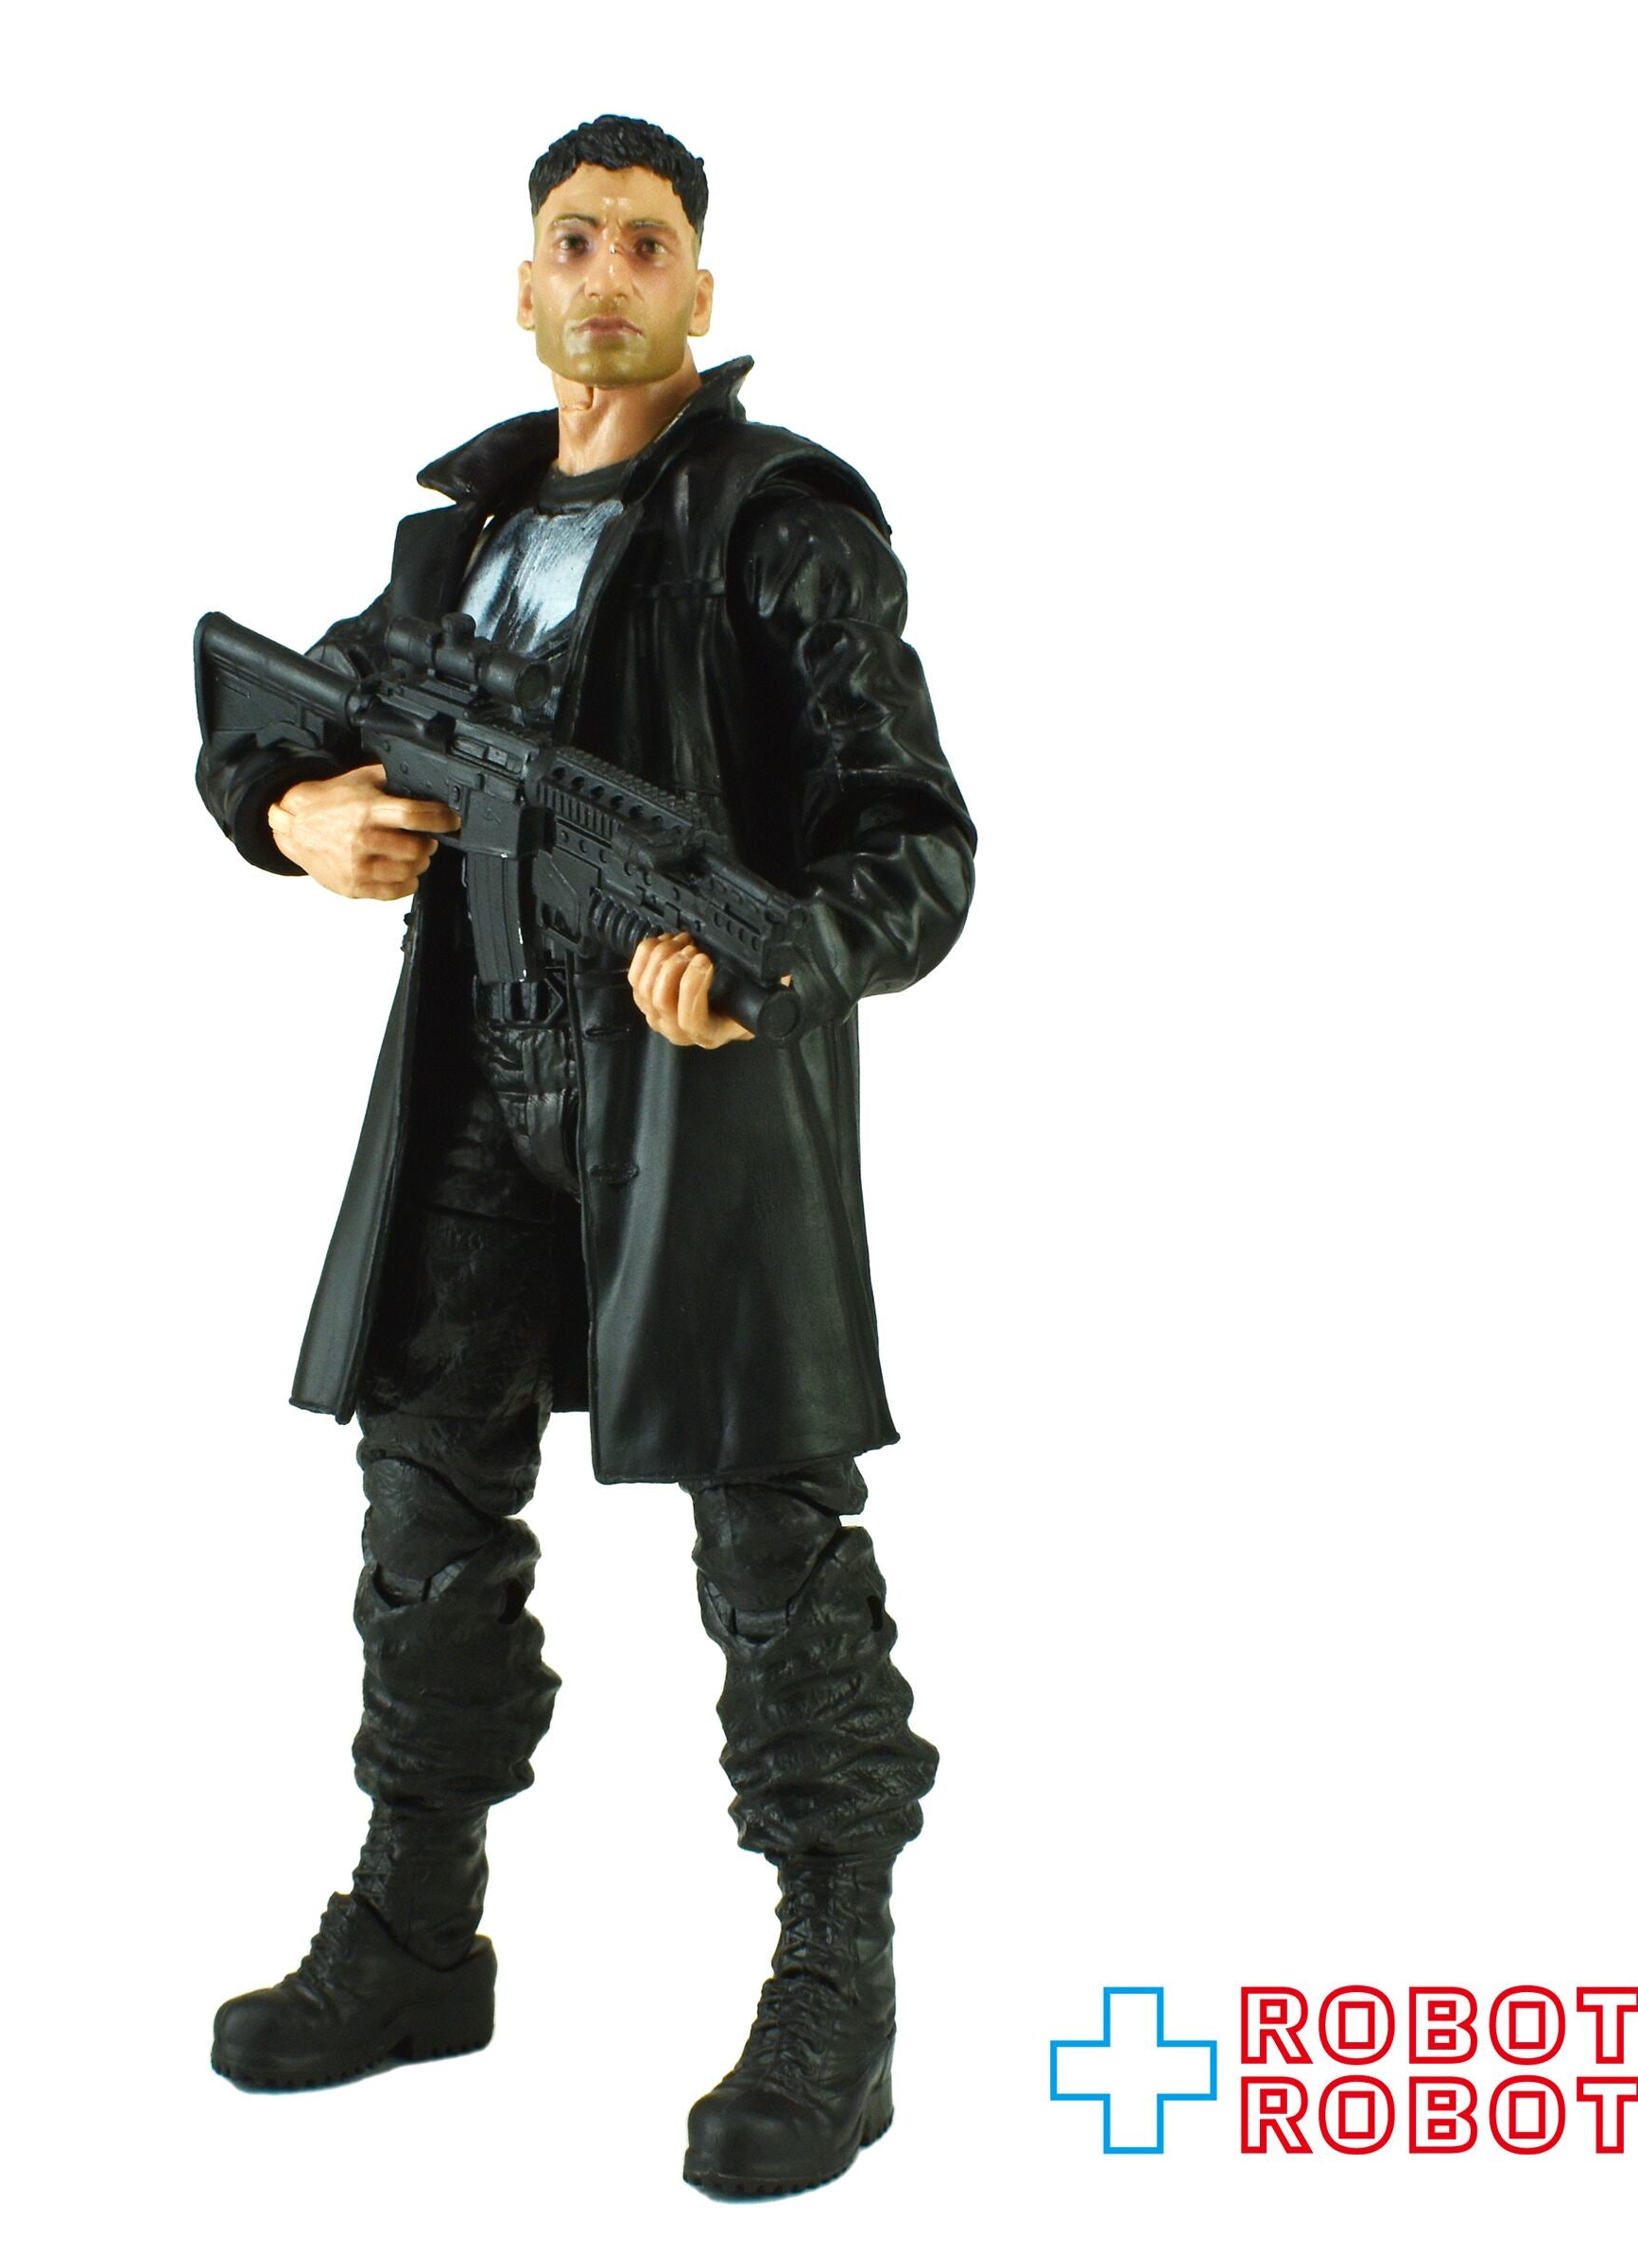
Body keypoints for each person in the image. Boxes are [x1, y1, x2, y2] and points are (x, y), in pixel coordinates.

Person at [195, 113, 974, 2198]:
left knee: (773, 1539)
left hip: (692, 1102)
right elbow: (278, 715)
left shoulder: (781, 526)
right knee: (425, 1499)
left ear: (701, 289)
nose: (608, 272)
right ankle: (417, 1929)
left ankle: (838, 1980)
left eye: (646, 242)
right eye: (573, 238)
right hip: (477, 1073)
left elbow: (913, 844)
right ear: (524, 285)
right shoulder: (457, 546)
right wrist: (291, 812)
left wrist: (774, 965)